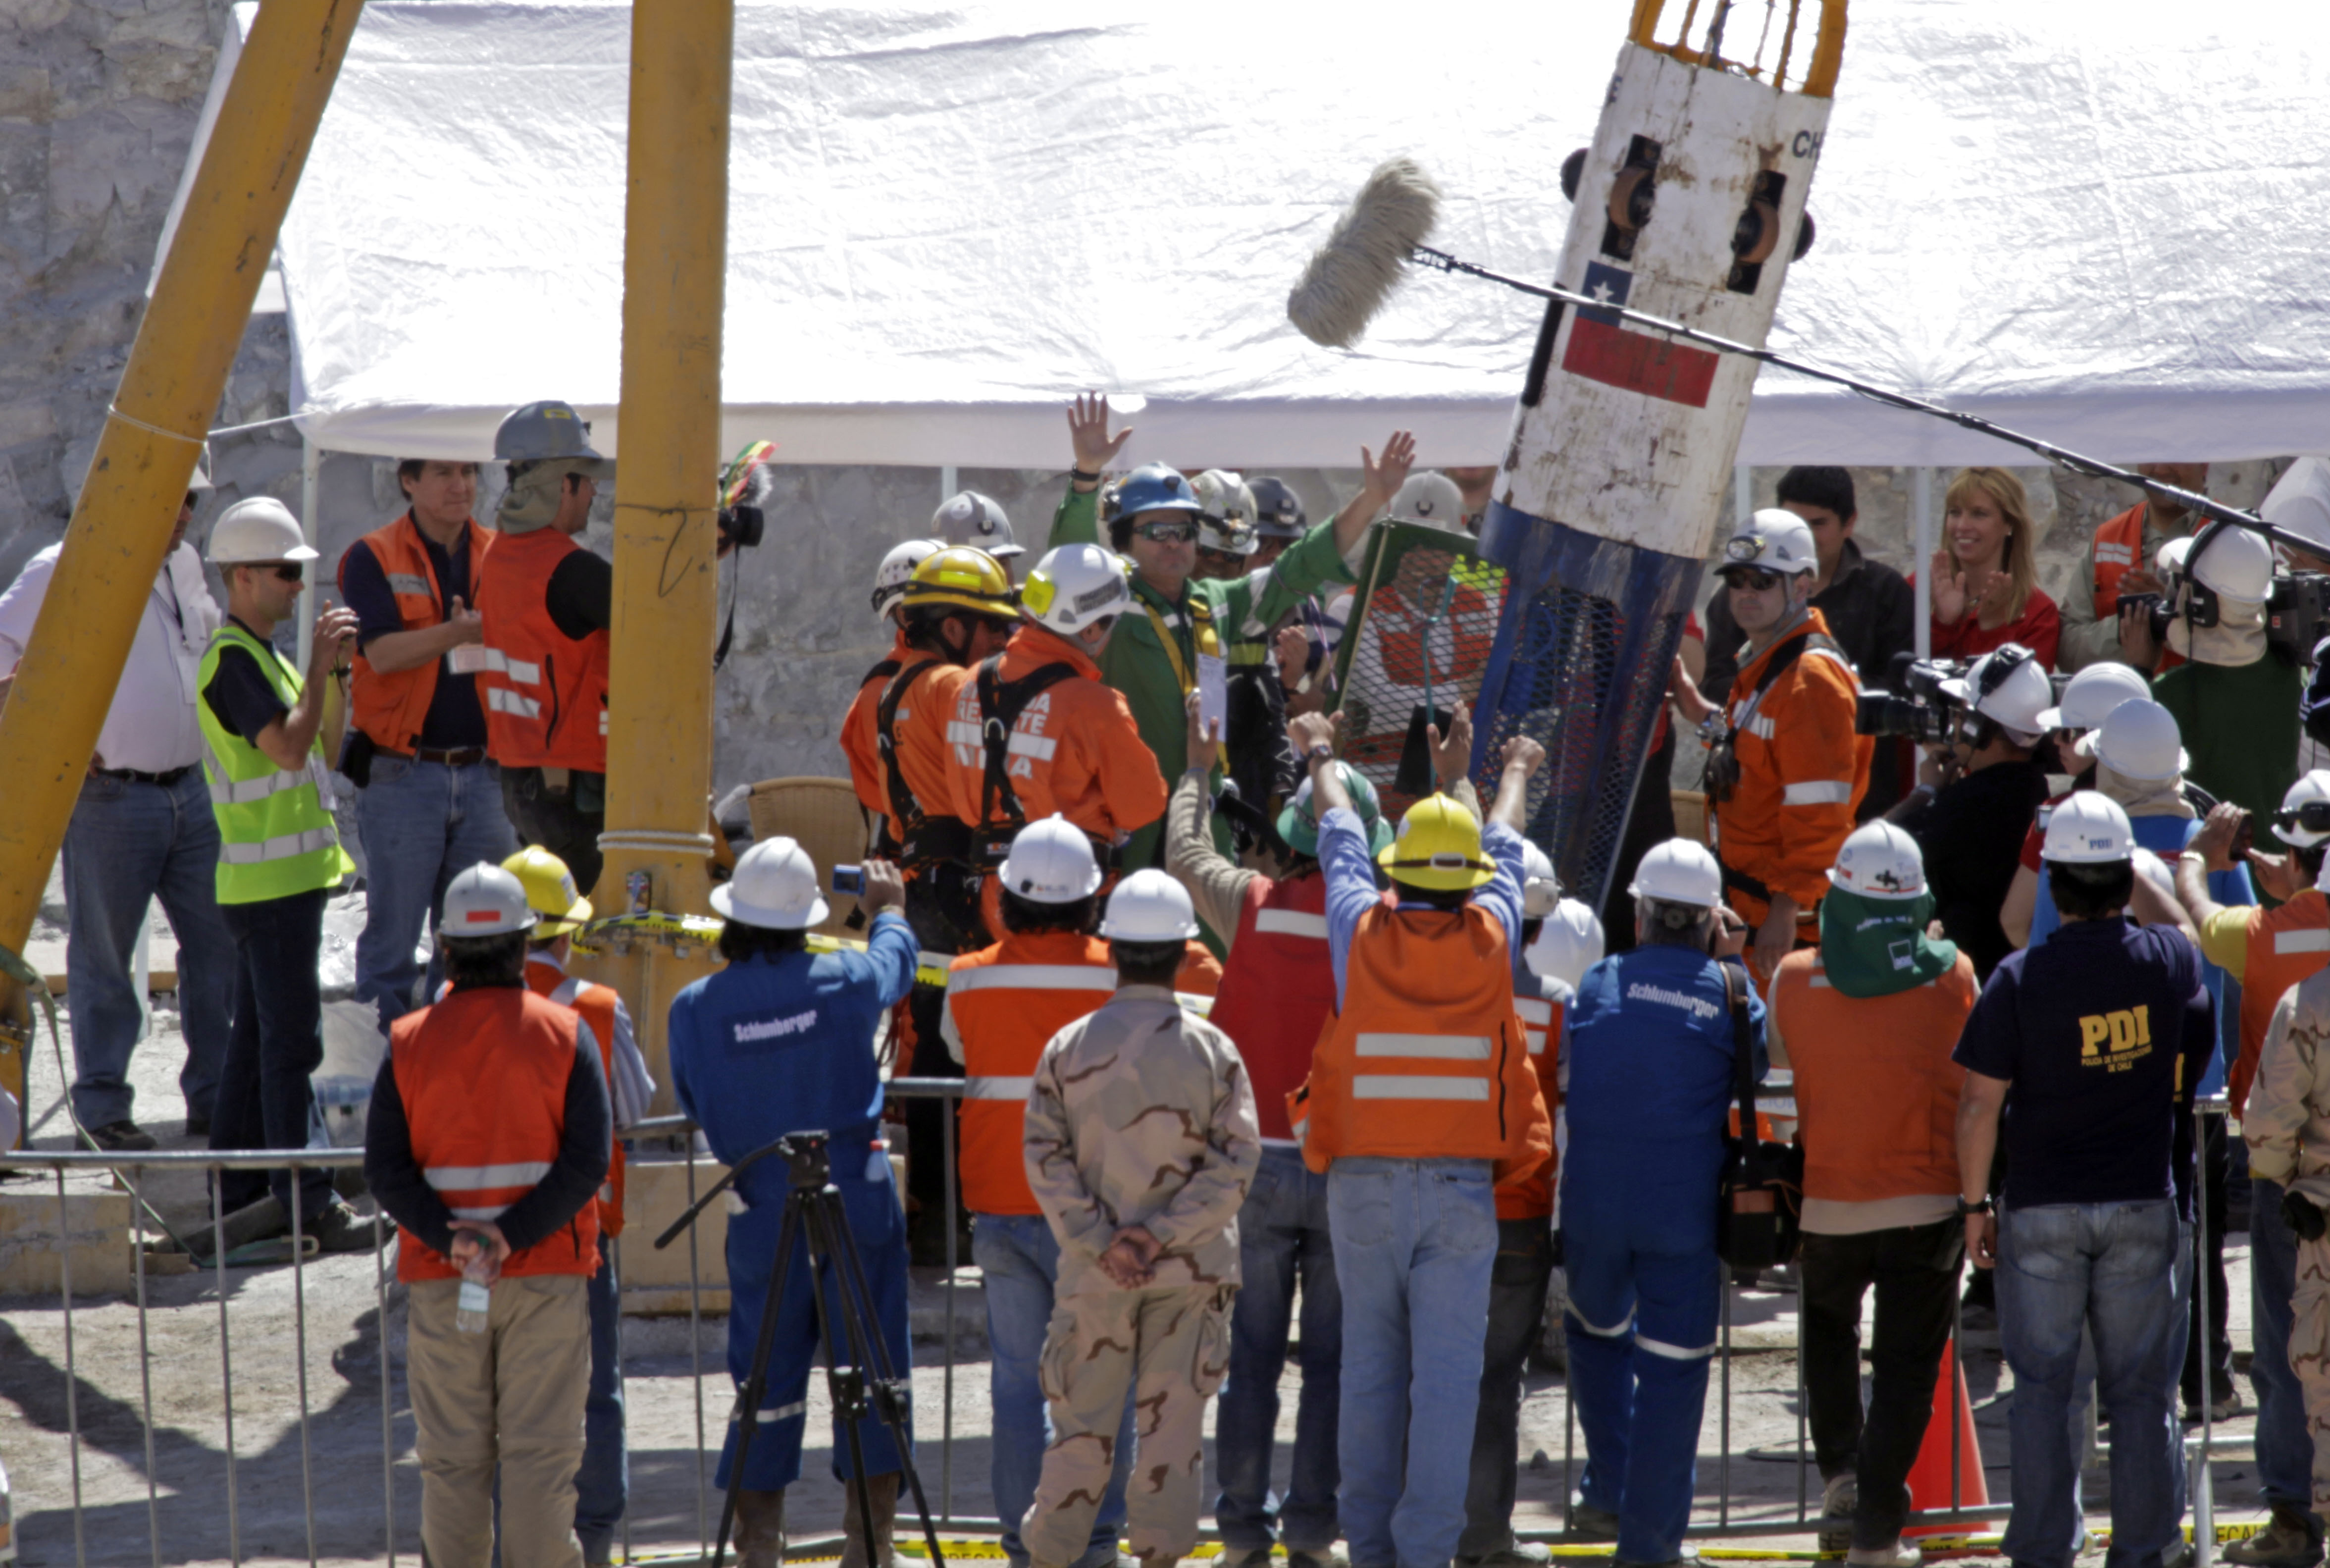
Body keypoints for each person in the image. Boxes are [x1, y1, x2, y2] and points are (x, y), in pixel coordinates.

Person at [1285, 713, 1552, 1568]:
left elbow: (1338, 829)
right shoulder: (1493, 936)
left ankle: (1369, 1552)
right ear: (1471, 883)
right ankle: (1425, 1556)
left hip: (1361, 1188)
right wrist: (1513, 767)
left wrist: (1319, 750)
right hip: (1459, 1194)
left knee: (1368, 1373)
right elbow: (1505, 837)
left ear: (1395, 872)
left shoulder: (1357, 930)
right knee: (1445, 1386)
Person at [1166, 692, 1413, 1568]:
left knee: (1252, 1360)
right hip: (1343, 1164)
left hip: (1255, 1168)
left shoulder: (1252, 902)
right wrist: (1460, 784)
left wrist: (1198, 770)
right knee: (1335, 1366)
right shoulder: (1383, 923)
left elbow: (1185, 853)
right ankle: (1312, 1531)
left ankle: (1242, 1534)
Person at [1955, 792, 2212, 1568]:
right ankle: (2143, 1548)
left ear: (2054, 881)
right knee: (2140, 1394)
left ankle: (2042, 1549)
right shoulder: (2161, 961)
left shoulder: (2017, 978)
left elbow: (1978, 1105)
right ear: (2123, 878)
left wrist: (1974, 1205)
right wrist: (2139, 871)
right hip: (2140, 1204)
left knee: (2041, 1391)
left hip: (2042, 1209)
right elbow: (2191, 933)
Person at [666, 840, 918, 1568]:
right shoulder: (843, 978)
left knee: (764, 1379)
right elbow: (896, 965)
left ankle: (758, 1548)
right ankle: (870, 1544)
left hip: (761, 1203)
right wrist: (889, 910)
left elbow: (695, 1099)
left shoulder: (695, 1008)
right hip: (855, 1198)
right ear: (805, 917)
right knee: (873, 1369)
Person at [1049, 393, 1413, 882]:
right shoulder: (1113, 603)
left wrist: (1370, 500)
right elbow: (1068, 562)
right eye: (1156, 531)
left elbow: (1301, 564)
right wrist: (1086, 477)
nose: (1174, 542)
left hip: (1210, 818)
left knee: (1214, 933)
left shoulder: (1218, 601)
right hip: (1132, 826)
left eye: (1184, 531)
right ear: (1123, 541)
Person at [362, 862, 612, 1568]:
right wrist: (512, 1235)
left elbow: (386, 1169)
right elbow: (587, 1160)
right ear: (524, 943)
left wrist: (456, 1239)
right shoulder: (566, 1034)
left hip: (445, 1279)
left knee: (451, 1464)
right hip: (546, 1277)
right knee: (540, 1457)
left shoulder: (409, 1041)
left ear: (445, 948)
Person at [1018, 869, 1262, 1568]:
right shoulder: (1214, 1050)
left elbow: (1043, 1154)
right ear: (1186, 950)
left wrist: (1104, 1241)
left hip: (1096, 1278)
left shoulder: (1067, 1047)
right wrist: (1158, 1235)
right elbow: (1237, 1161)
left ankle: (1050, 1558)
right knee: (1171, 1440)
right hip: (1190, 1275)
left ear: (1112, 948)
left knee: (1079, 1435)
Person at [0, 463, 231, 1149]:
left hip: (193, 787)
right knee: (104, 960)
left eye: (191, 501)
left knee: (218, 947)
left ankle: (216, 1098)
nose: (183, 513)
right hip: (111, 798)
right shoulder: (61, 567)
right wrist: (48, 724)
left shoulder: (184, 564)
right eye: (172, 498)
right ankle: (102, 1111)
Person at [1770, 823, 1975, 1566]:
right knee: (1905, 1372)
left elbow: (1781, 1076)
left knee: (1828, 1338)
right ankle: (1875, 1536)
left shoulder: (1793, 978)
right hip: (1927, 1205)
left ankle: (1842, 1478)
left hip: (1828, 1201)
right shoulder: (1953, 975)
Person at [939, 816, 1138, 1568]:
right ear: (1093, 897)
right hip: (1097, 1212)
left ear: (1005, 896)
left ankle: (1026, 1547)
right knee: (1104, 1381)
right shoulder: (1119, 976)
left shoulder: (968, 976)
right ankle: (1094, 1544)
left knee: (1017, 1384)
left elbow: (959, 1048)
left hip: (1000, 1200)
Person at [1558, 837, 1759, 1561]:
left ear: (1639, 914)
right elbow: (1755, 1059)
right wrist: (1732, 963)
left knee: (1595, 1335)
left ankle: (1607, 1493)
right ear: (1710, 920)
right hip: (1679, 1213)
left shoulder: (1598, 980)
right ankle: (1647, 1548)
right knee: (1673, 1371)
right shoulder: (1729, 993)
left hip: (1591, 1207)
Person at [197, 496, 373, 1249]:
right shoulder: (235, 661)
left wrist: (335, 674)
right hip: (271, 891)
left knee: (255, 1047)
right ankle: (307, 1200)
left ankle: (239, 1191)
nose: (299, 587)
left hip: (277, 885)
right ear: (242, 576)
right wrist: (318, 669)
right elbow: (289, 748)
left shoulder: (261, 657)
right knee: (292, 1046)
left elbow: (325, 745)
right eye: (285, 572)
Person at [841, 546, 1021, 1260]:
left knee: (931, 1050)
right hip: (961, 885)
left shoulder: (883, 690)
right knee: (969, 1052)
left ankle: (934, 1216)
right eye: (993, 626)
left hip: (919, 881)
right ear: (953, 627)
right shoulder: (956, 685)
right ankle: (959, 1214)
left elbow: (869, 784)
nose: (1005, 639)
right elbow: (994, 784)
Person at [2177, 777, 2330, 1565]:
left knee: (2284, 1349)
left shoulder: (2267, 934)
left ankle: (2295, 1520)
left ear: (2299, 859)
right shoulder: (2286, 920)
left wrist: (2198, 856)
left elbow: (2200, 917)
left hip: (2294, 1182)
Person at [501, 844, 655, 1567]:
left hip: (483, 1243)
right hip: (577, 1240)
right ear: (568, 935)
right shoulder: (594, 1008)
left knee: (500, 1401)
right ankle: (589, 1543)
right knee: (594, 1394)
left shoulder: (451, 1010)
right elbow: (633, 1106)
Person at [339, 456, 517, 1033]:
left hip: (487, 776)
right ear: (408, 481)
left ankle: (457, 1061)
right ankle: (383, 1072)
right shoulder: (373, 556)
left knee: (476, 939)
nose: (460, 485)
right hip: (403, 776)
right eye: (443, 472)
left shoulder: (502, 555)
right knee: (392, 944)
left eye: (468, 471)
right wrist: (457, 633)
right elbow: (382, 653)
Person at [1667, 508, 1872, 982]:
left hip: (1778, 923)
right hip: (1749, 906)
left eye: (1761, 582)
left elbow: (1820, 814)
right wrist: (1699, 712)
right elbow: (1755, 746)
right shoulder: (1770, 659)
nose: (1745, 593)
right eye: (1736, 580)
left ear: (1801, 586)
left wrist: (1786, 907)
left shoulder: (1810, 680)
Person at [944, 542, 1169, 931]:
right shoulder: (1096, 706)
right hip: (1068, 901)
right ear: (1092, 628)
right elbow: (1143, 805)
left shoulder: (967, 684)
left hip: (987, 898)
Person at [1459, 840, 1569, 1568]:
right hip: (1522, 1215)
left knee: (1426, 1372)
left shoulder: (1446, 993)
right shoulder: (1557, 1004)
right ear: (1540, 924)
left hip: (1446, 1205)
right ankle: (1483, 1538)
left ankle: (1416, 1532)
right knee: (1496, 1381)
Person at [1699, 467, 1915, 817]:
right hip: (1756, 799)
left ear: (1849, 523)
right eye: (1794, 522)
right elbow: (1715, 683)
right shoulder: (1740, 594)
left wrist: (1813, 699)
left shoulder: (1887, 592)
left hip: (1858, 801)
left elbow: (1900, 691)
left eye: (1817, 524)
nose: (1805, 536)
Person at [473, 399, 616, 894]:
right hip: (572, 791)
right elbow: (661, 621)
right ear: (563, 484)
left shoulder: (498, 555)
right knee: (587, 923)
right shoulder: (572, 570)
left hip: (522, 782)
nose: (594, 491)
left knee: (549, 919)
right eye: (587, 478)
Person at [1884, 644, 2053, 981]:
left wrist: (1925, 792)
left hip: (1968, 983)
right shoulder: (2039, 790)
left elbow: (1880, 847)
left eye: (1961, 715)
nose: (1955, 724)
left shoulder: (1964, 806)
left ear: (1980, 729)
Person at [2243, 941, 2330, 1558]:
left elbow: (2268, 1126)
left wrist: (2289, 1181)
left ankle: (2302, 1523)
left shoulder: (2308, 1003)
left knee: (2318, 1376)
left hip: (2324, 1222)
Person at [2153, 522, 2303, 829]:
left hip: (2210, 858)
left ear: (2202, 603)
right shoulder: (2293, 678)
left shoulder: (2170, 694)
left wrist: (2139, 668)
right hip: (2279, 856)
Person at [1998, 661, 2154, 949]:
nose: (2057, 741)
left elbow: (2015, 922)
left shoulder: (2061, 815)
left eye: (2070, 732)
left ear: (2103, 737)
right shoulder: (2192, 818)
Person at [2059, 463, 2210, 673]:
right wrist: (2133, 621)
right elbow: (2067, 651)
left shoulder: (2233, 541)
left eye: (2176, 457)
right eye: (2151, 455)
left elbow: (2247, 649)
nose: (2161, 469)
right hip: (2122, 692)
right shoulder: (2107, 538)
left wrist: (2171, 615)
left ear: (2204, 465)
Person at [1925, 467, 2061, 668]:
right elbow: (1901, 672)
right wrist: (1943, 624)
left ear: (2009, 524)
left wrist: (1991, 630)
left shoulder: (2038, 614)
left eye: (1979, 514)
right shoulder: (1919, 588)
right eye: (1955, 513)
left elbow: (2025, 686)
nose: (1962, 526)